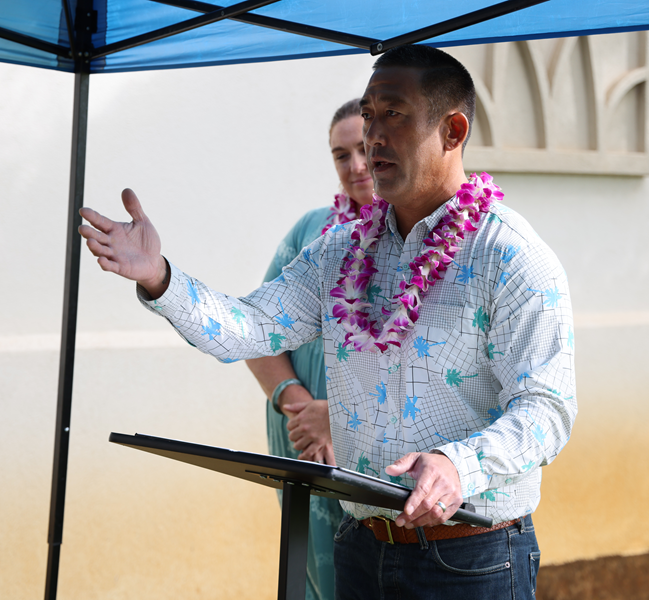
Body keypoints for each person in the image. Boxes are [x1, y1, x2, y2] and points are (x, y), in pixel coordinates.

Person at [79, 45, 576, 600]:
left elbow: (548, 409)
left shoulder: (511, 256)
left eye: (395, 114)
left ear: (453, 130)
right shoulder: (339, 249)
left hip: (470, 557)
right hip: (359, 547)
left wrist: (458, 465)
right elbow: (250, 326)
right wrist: (161, 278)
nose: (373, 136)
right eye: (368, 115)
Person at [243, 98, 374, 600]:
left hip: (370, 446)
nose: (356, 166)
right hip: (297, 430)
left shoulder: (422, 238)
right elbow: (257, 331)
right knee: (311, 574)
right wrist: (300, 408)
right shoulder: (311, 232)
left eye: (364, 149)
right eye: (341, 155)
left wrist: (338, 419)